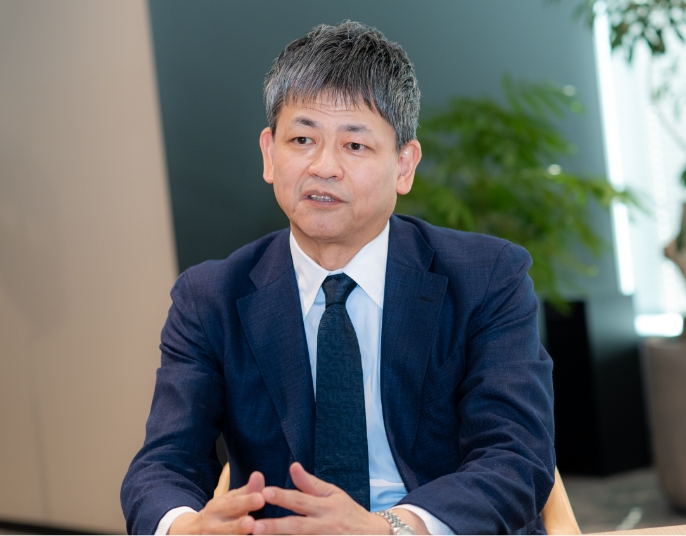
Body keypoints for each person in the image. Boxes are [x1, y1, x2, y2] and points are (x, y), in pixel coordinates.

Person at [121, 21, 555, 535]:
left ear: (404, 165)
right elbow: (163, 465)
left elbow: (515, 455)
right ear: (269, 154)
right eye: (302, 139)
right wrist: (183, 528)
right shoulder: (210, 298)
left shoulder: (486, 278)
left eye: (354, 145)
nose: (323, 167)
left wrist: (390, 528)